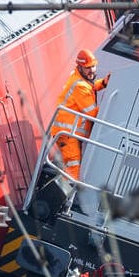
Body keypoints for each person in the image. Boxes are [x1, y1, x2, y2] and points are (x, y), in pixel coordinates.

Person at [51, 48, 111, 179]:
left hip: (69, 132)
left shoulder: (78, 78)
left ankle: (73, 192)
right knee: (74, 166)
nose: (92, 70)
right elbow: (93, 114)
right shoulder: (79, 86)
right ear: (80, 67)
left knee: (74, 165)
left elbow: (90, 86)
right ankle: (73, 196)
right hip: (67, 134)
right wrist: (112, 110)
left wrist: (104, 83)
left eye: (93, 66)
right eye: (88, 68)